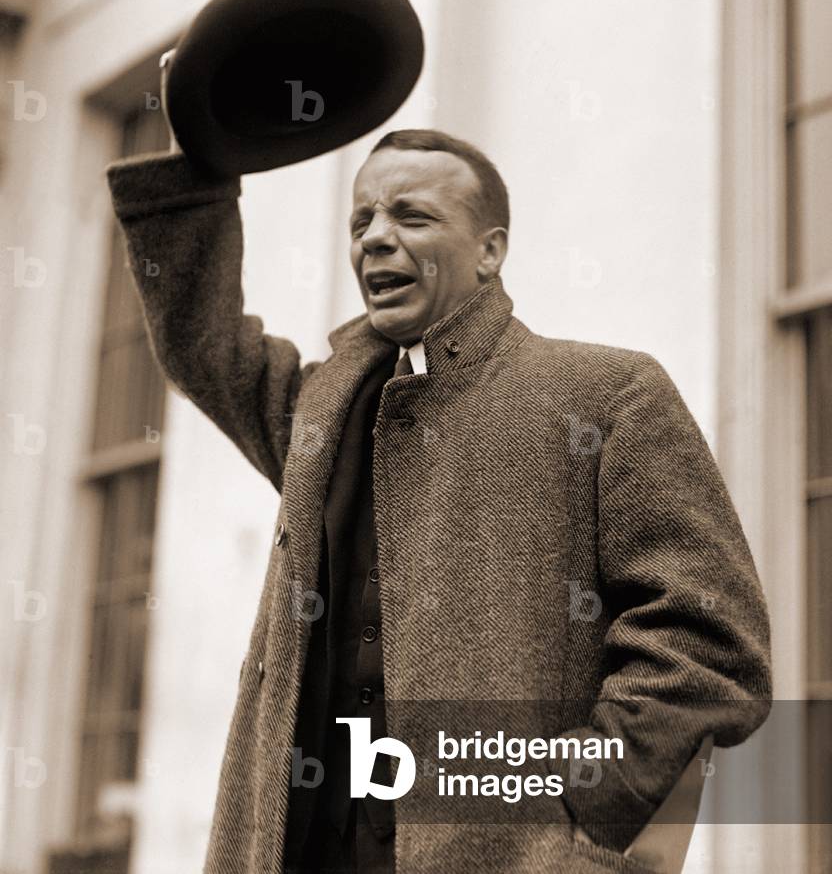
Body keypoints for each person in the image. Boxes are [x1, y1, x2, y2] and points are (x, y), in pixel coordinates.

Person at [105, 56, 772, 874]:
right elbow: (207, 350)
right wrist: (196, 158)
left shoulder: (607, 392)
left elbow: (710, 640)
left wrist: (575, 812)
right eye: (361, 221)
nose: (376, 237)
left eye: (411, 216)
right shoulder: (321, 408)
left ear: (490, 251)